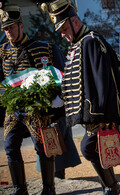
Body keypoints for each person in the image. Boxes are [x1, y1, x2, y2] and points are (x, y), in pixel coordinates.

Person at [38, 0, 120, 194]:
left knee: (88, 147)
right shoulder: (79, 44)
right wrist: (59, 101)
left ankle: (111, 187)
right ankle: (110, 186)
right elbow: (74, 82)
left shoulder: (91, 41)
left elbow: (104, 82)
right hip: (94, 115)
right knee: (91, 148)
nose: (62, 34)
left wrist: (106, 117)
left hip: (101, 115)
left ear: (75, 22)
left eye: (65, 28)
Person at [0, 3, 66, 194]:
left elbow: (55, 76)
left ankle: (49, 188)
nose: (8, 31)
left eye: (11, 27)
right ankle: (20, 188)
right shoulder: (2, 51)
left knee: (43, 147)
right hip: (13, 109)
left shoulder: (42, 49)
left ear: (21, 25)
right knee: (10, 146)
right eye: (5, 28)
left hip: (35, 109)